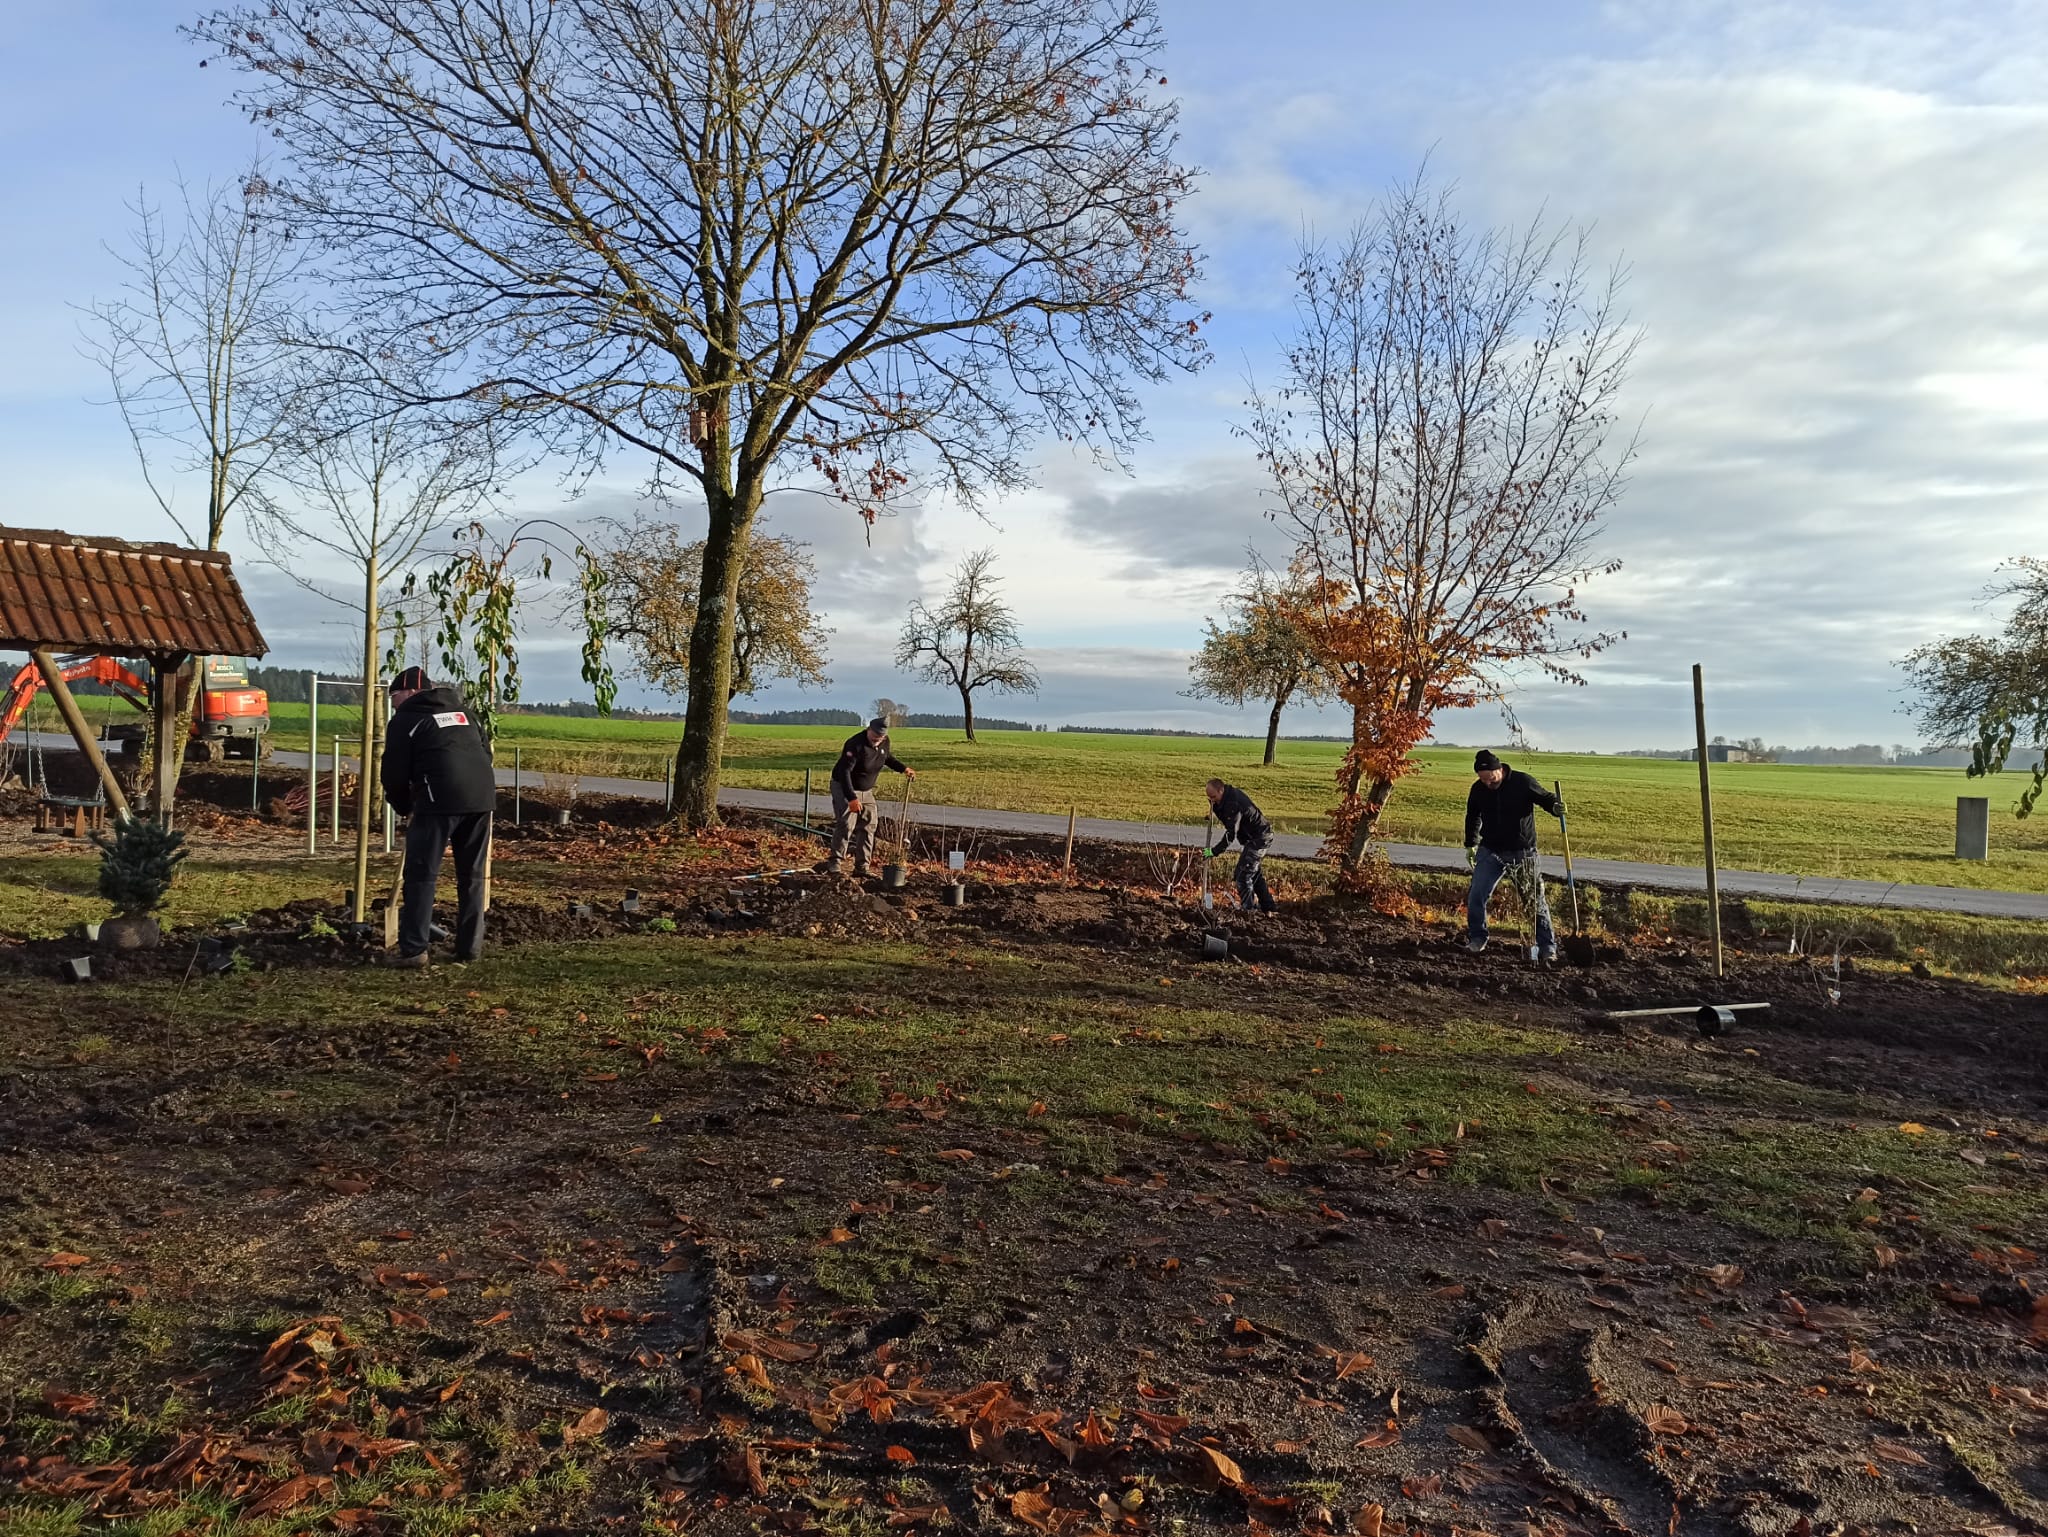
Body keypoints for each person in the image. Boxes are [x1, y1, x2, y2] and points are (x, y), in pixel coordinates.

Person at [380, 666, 495, 967]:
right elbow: (486, 754)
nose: (393, 702)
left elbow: (393, 773)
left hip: (437, 801)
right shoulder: (466, 714)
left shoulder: (406, 719)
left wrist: (404, 806)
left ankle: (414, 950)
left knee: (421, 876)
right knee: (472, 876)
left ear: (410, 692)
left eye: (394, 695)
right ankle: (469, 948)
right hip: (481, 799)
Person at [1463, 749, 1563, 958]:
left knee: (1533, 899)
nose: (1488, 784)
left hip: (1523, 851)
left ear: (1499, 769)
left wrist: (1555, 807)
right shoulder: (1478, 789)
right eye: (1483, 779)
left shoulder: (1522, 782)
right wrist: (1471, 844)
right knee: (1476, 895)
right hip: (1490, 851)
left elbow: (1545, 798)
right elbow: (1472, 815)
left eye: (1491, 779)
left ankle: (1547, 947)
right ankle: (1477, 938)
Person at [816, 717, 916, 877]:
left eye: (881, 737)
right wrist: (851, 798)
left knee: (869, 825)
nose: (877, 739)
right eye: (875, 735)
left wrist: (903, 769)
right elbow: (844, 772)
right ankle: (835, 863)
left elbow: (887, 758)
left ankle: (862, 867)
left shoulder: (884, 742)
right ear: (869, 730)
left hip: (866, 790)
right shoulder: (855, 744)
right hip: (844, 787)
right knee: (846, 824)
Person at [1204, 777, 1276, 915]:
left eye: (1213, 797)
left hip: (1260, 838)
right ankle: (1269, 907)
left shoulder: (1233, 803)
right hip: (1252, 838)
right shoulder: (1226, 797)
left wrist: (1214, 851)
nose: (1211, 801)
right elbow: (1223, 812)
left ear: (1221, 790)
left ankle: (1249, 910)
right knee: (1253, 874)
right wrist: (1213, 809)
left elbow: (1231, 833)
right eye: (1209, 798)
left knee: (1243, 875)